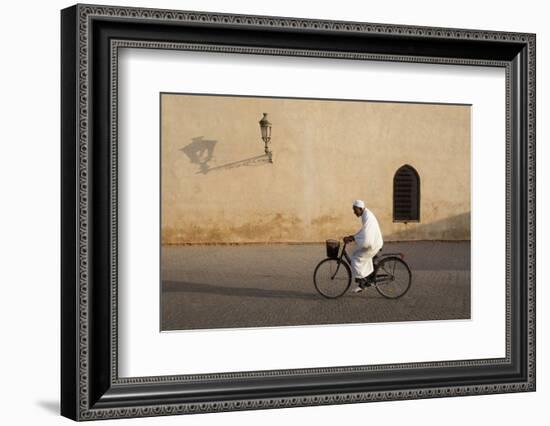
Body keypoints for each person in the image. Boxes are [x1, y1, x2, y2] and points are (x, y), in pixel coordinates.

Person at [343, 199, 384, 293]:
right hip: (375, 241)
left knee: (356, 257)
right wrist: (353, 237)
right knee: (361, 256)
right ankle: (366, 281)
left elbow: (366, 233)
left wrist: (352, 238)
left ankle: (362, 284)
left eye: (355, 209)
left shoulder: (367, 216)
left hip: (374, 244)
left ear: (360, 208)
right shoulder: (365, 214)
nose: (354, 212)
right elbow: (364, 231)